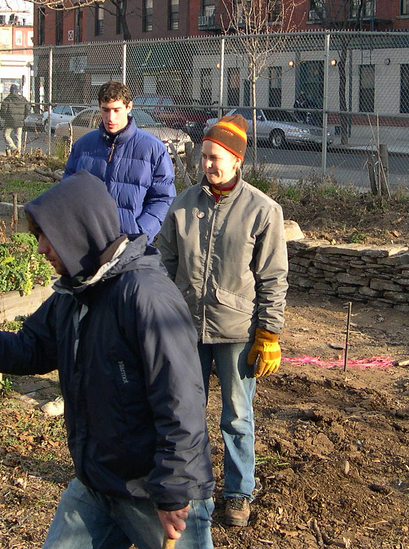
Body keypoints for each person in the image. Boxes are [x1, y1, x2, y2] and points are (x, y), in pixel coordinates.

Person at [0, 171, 215, 549]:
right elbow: (28, 349)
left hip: (154, 492)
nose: (39, 249)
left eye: (44, 236)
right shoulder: (75, 294)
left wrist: (174, 489)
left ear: (76, 230)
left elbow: (181, 400)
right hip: (98, 482)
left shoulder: (145, 297)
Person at [156, 113, 288, 528]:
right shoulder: (183, 205)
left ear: (236, 161)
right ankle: (190, 488)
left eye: (216, 157)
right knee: (185, 413)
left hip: (236, 331)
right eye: (204, 156)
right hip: (185, 329)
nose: (208, 164)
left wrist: (268, 332)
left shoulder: (262, 210)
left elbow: (272, 277)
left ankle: (238, 493)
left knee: (236, 415)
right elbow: (163, 263)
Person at [64, 80, 175, 242]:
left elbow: (163, 198)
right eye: (105, 110)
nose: (110, 117)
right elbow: (68, 192)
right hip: (87, 242)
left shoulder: (153, 149)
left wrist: (141, 232)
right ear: (99, 107)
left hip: (130, 245)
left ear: (129, 107)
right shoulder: (82, 146)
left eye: (117, 110)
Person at [0, 84, 30, 155]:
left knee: (6, 135)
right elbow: (28, 109)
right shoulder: (23, 99)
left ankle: (13, 148)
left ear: (10, 91)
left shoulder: (7, 99)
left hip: (9, 121)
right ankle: (18, 154)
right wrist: (23, 117)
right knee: (18, 137)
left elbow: (3, 110)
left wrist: (5, 117)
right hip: (20, 121)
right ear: (17, 91)